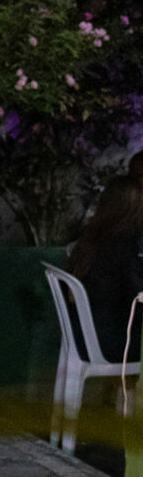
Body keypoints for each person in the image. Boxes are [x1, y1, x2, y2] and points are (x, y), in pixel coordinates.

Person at [68, 150, 143, 361]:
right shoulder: (124, 243)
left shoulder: (96, 235)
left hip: (88, 336)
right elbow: (136, 299)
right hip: (112, 341)